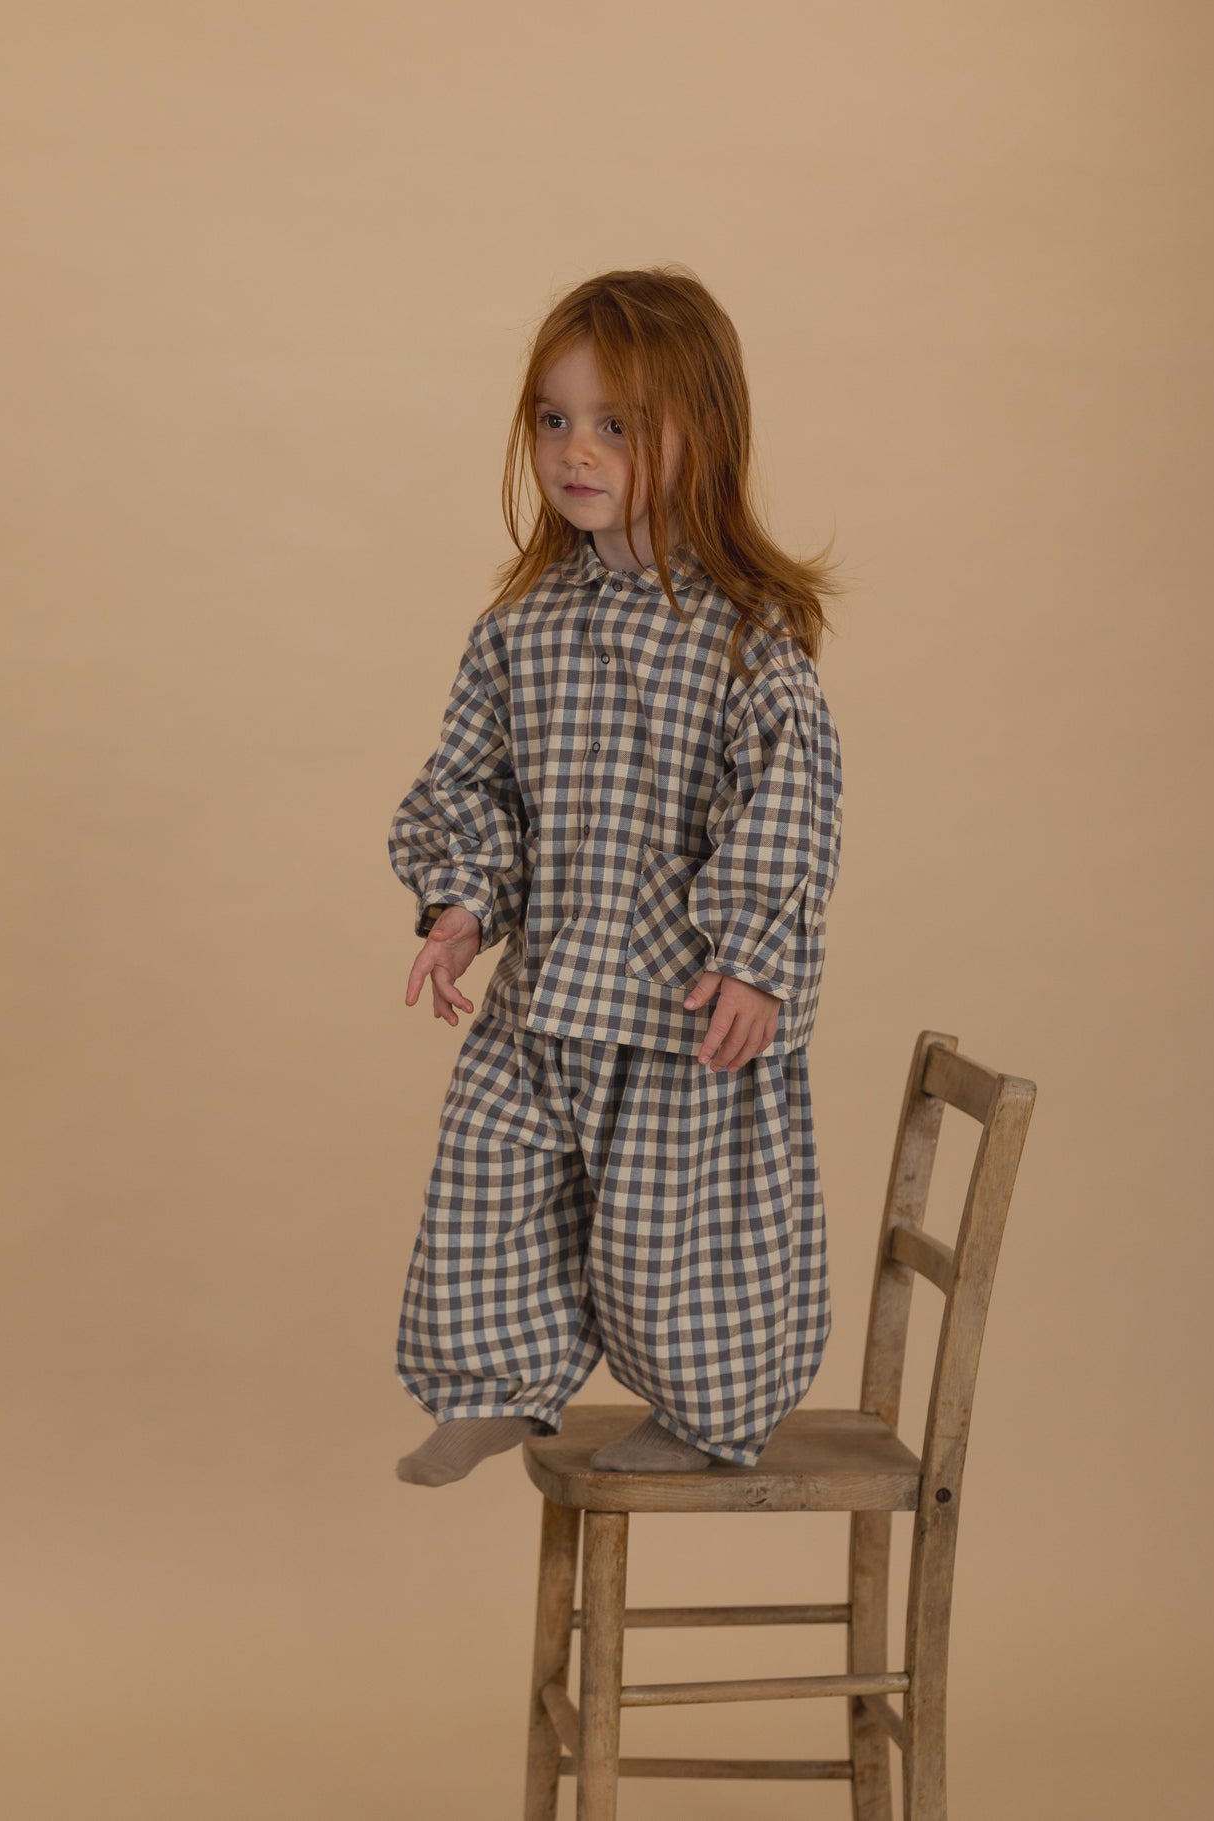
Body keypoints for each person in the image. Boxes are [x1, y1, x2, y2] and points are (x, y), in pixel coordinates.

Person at [387, 265, 845, 1487]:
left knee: (669, 1239)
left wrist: (752, 958)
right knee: (487, 1182)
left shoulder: (747, 641)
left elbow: (786, 811)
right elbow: (475, 784)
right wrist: (460, 907)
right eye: (551, 418)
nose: (573, 451)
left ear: (702, 432)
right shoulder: (524, 627)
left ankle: (704, 1413)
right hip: (545, 997)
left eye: (615, 424)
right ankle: (490, 1385)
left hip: (681, 1014)